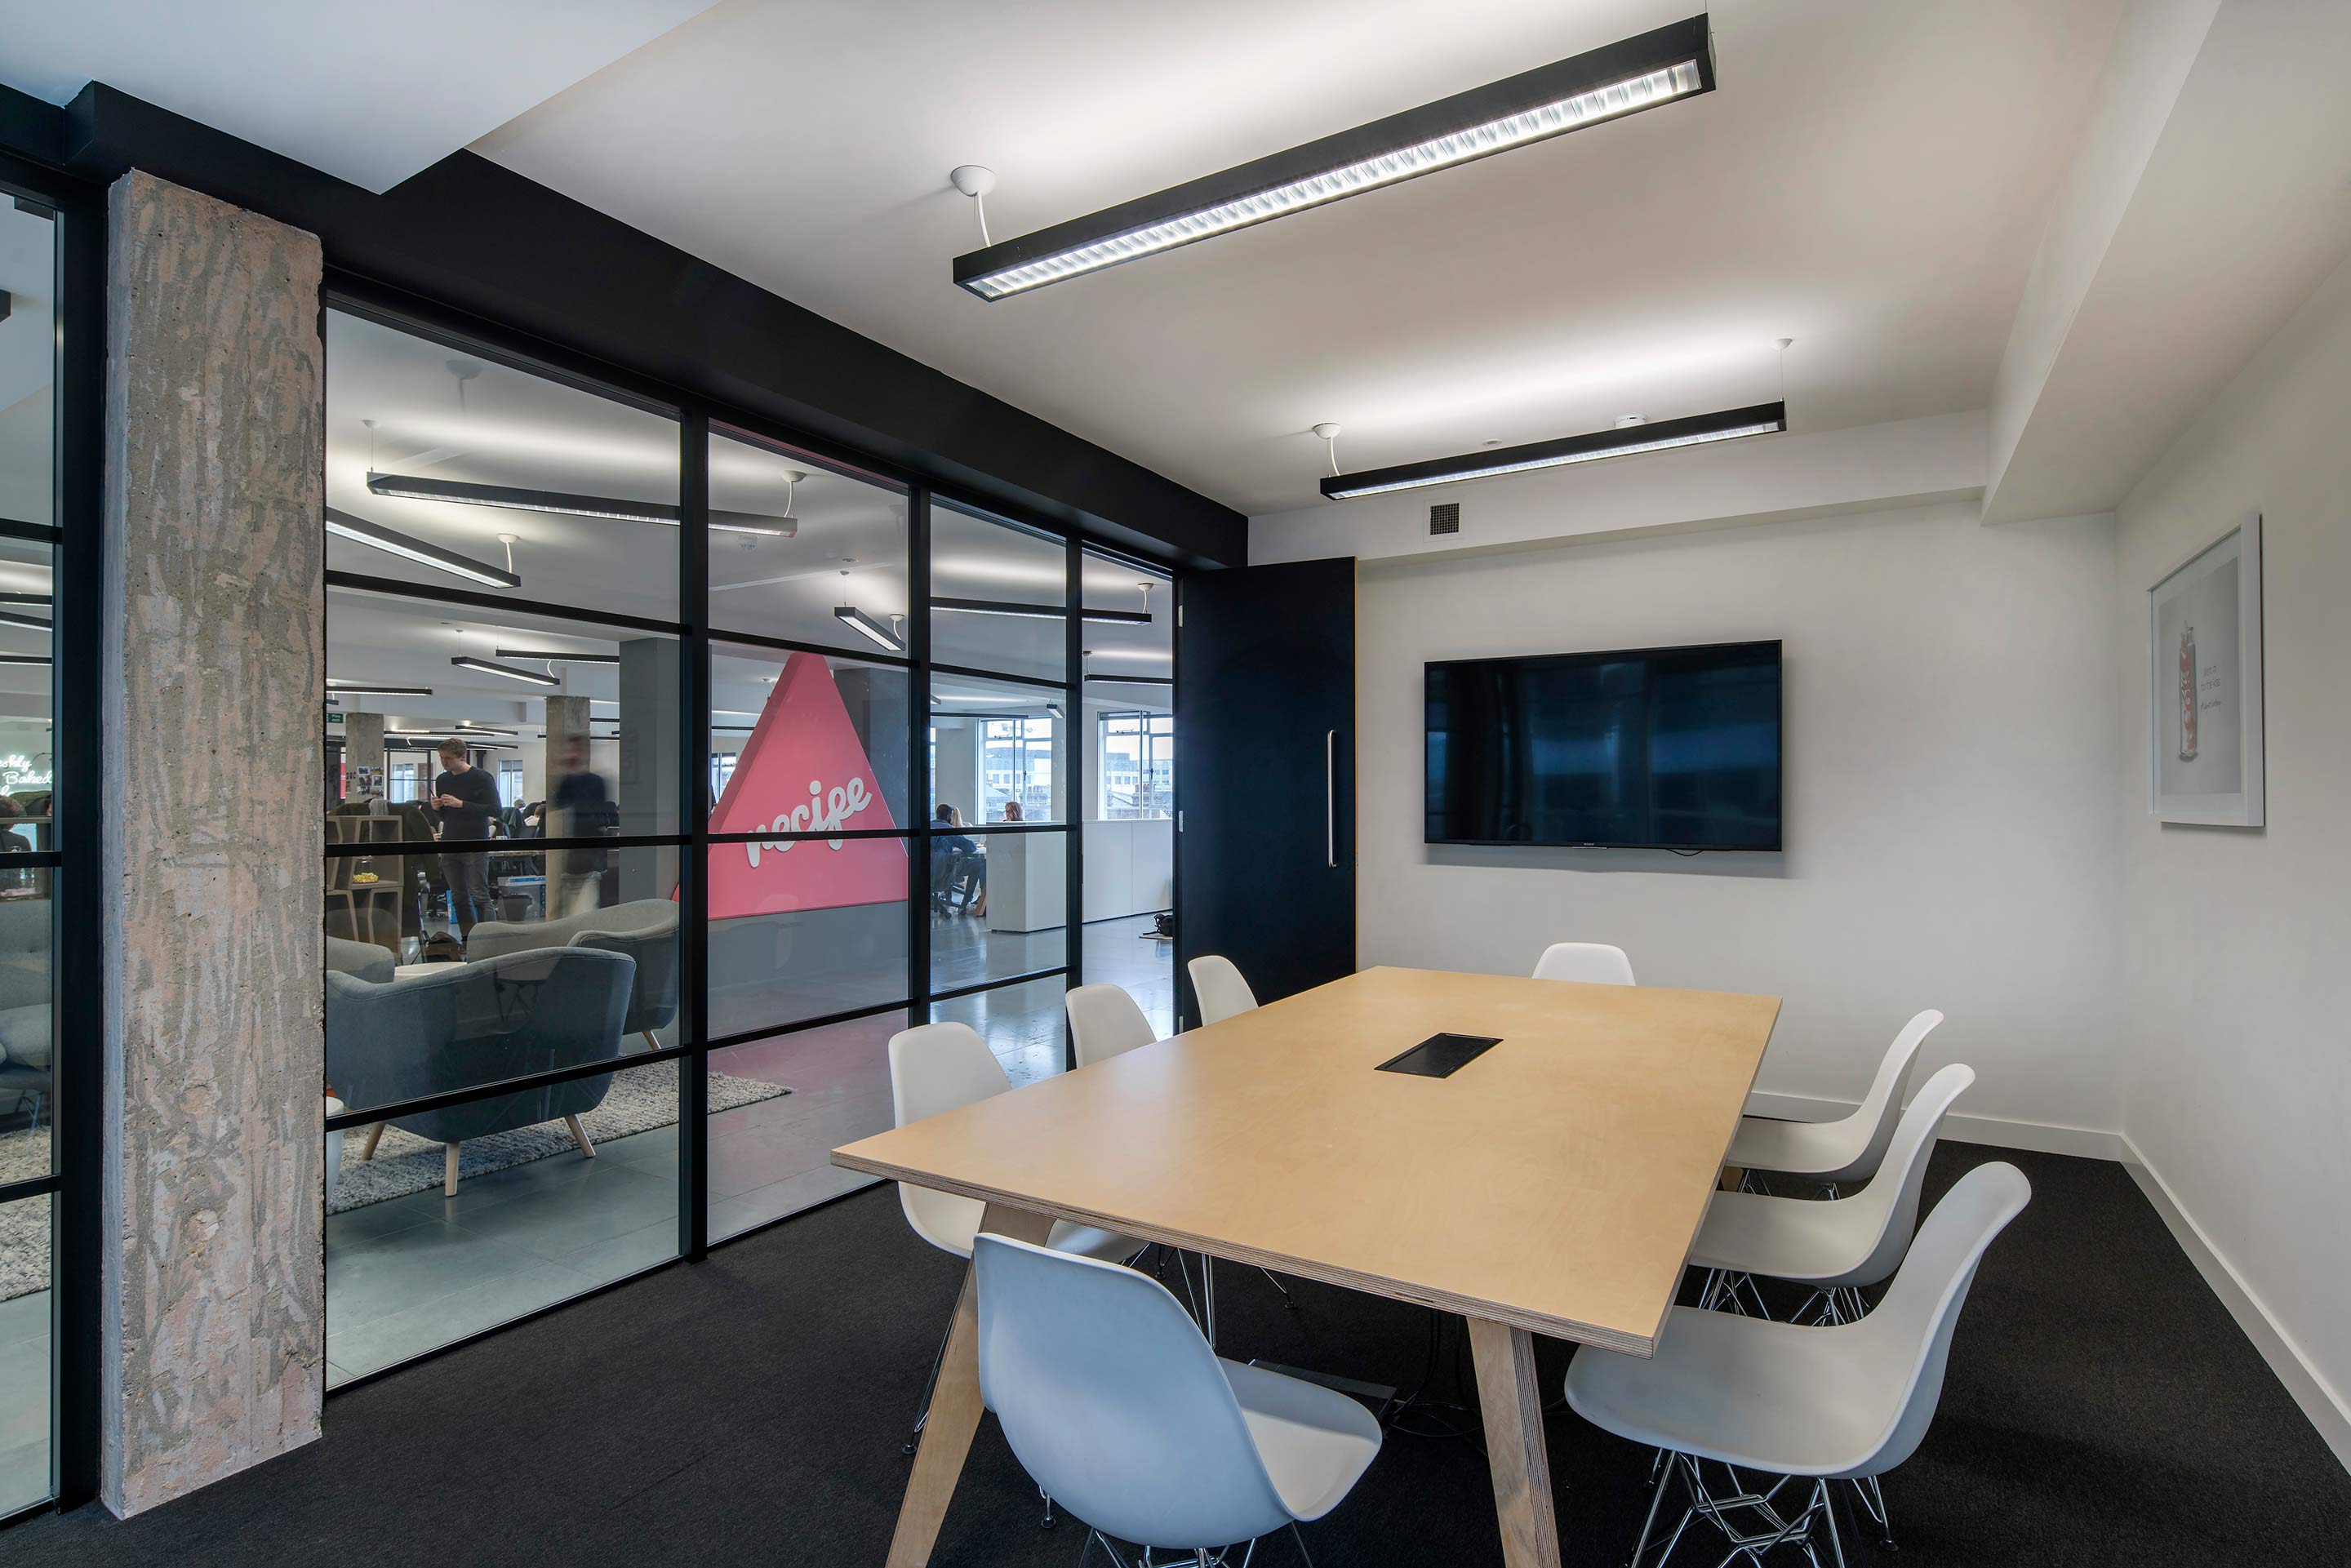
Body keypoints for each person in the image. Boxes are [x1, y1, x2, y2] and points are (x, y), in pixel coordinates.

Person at [432, 739, 501, 939]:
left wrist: (461, 804)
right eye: (442, 758)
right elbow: (447, 816)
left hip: (474, 841)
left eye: (449, 758)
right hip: (450, 841)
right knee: (458, 897)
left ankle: (489, 939)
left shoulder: (482, 778)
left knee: (479, 895)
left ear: (462, 757)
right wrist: (438, 809)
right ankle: (468, 939)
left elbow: (496, 810)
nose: (445, 763)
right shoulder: (443, 780)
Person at [549, 736, 616, 919]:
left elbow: (597, 809)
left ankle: (587, 923)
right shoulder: (568, 781)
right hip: (575, 843)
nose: (575, 754)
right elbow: (557, 802)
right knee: (572, 891)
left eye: (578, 750)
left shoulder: (596, 781)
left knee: (589, 891)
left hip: (591, 844)